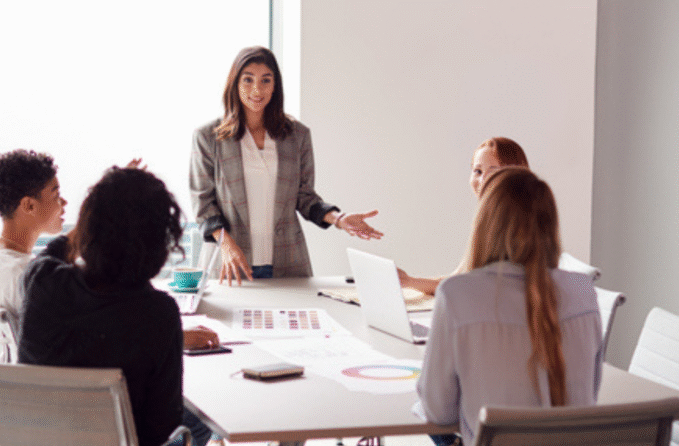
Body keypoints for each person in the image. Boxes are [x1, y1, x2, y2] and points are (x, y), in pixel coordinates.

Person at [19, 166, 216, 446]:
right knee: (197, 426)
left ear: (87, 228)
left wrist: (98, 213)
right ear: (161, 240)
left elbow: (54, 252)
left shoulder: (41, 281)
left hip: (41, 440)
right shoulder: (159, 313)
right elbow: (161, 427)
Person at [414, 168, 603, 445]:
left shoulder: (457, 294)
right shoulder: (583, 291)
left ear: (485, 223)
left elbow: (438, 412)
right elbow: (590, 394)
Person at [190, 46, 383, 285]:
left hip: (287, 262)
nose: (257, 90)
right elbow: (203, 203)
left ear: (275, 86)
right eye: (248, 80)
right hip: (229, 264)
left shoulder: (297, 135)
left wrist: (339, 219)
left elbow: (305, 196)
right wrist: (226, 244)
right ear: (234, 83)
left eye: (265, 80)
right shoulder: (208, 137)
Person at [398, 137, 528, 295]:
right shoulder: (487, 221)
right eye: (478, 171)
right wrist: (409, 281)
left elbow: (479, 289)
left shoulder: (520, 225)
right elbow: (458, 280)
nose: (483, 180)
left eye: (494, 172)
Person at [0, 149, 66, 326]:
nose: (64, 203)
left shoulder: (0, 262)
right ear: (29, 206)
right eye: (56, 195)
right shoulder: (22, 274)